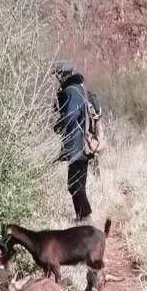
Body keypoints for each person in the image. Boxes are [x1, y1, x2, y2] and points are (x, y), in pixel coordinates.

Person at [54, 62, 94, 221]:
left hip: (77, 145)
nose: (57, 77)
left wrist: (59, 125)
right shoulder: (81, 89)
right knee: (78, 185)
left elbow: (70, 116)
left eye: (59, 74)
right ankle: (81, 218)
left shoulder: (71, 91)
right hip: (85, 145)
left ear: (65, 74)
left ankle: (86, 218)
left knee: (74, 185)